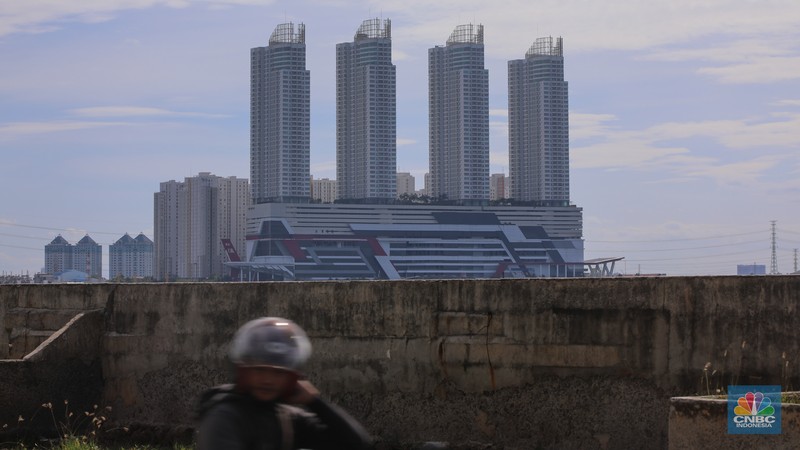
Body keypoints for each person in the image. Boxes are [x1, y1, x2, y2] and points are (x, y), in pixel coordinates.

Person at [196, 317, 373, 450]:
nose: (268, 380)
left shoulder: (286, 417)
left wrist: (316, 403)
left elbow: (355, 443)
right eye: (259, 370)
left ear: (291, 378)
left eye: (278, 372)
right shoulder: (225, 416)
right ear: (243, 371)